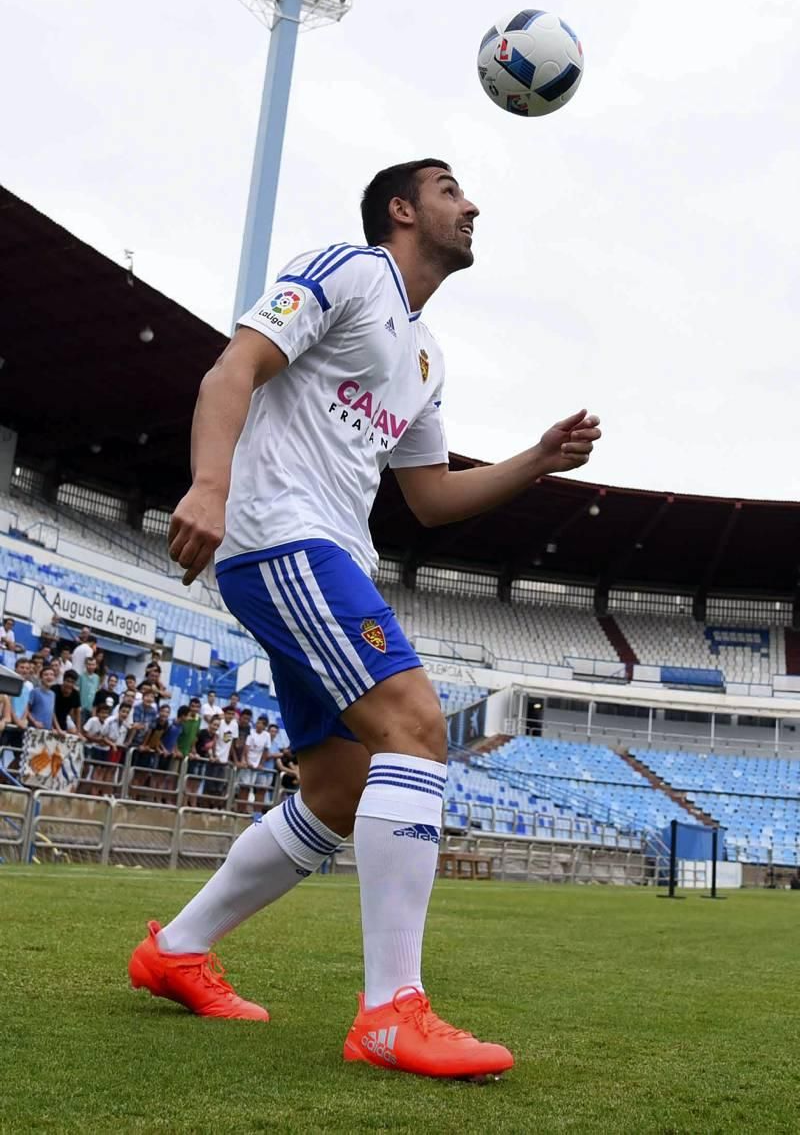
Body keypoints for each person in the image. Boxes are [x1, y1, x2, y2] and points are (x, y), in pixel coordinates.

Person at [129, 157, 601, 1079]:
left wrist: (535, 461)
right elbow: (232, 370)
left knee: (341, 792)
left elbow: (428, 498)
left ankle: (176, 950)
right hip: (282, 540)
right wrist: (211, 485)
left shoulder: (425, 355)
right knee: (417, 727)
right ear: (402, 209)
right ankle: (390, 1011)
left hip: (333, 552)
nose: (471, 204)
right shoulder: (349, 270)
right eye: (450, 188)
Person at [26, 666, 58, 731]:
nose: (49, 677)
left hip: (47, 729)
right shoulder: (35, 691)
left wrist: (55, 728)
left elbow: (51, 712)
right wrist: (34, 721)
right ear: (41, 678)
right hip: (34, 729)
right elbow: (26, 709)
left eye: (51, 675)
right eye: (46, 675)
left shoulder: (53, 694)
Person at [53, 670, 83, 736]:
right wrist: (58, 729)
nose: (69, 684)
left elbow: (78, 713)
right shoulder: (54, 689)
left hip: (64, 720)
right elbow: (51, 711)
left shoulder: (75, 694)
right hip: (50, 720)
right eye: (68, 681)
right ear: (63, 680)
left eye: (72, 682)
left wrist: (78, 731)